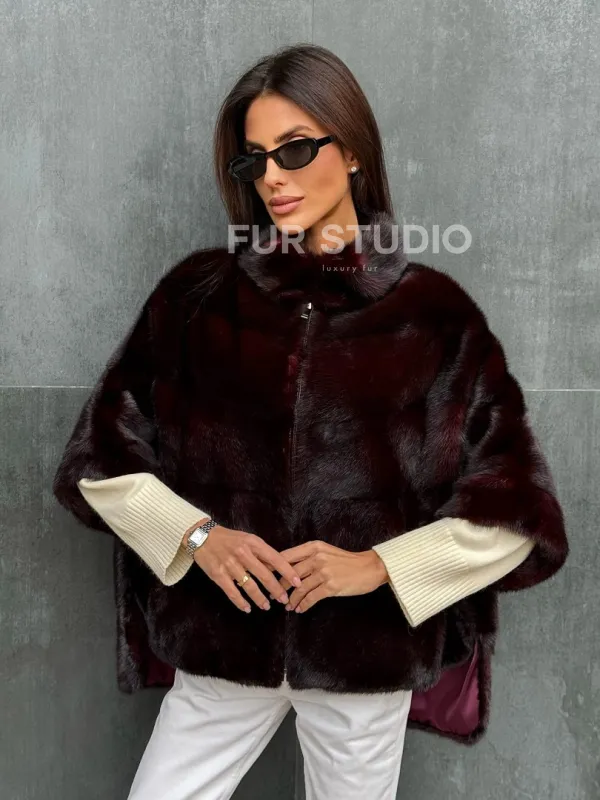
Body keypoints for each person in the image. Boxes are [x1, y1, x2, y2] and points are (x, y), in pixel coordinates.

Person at [52, 43, 569, 800]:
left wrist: (379, 567)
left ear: (351, 151)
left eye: (295, 149)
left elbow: (519, 513)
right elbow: (99, 462)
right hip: (223, 647)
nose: (272, 177)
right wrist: (198, 538)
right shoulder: (195, 300)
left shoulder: (434, 317)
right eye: (254, 159)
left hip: (363, 660)